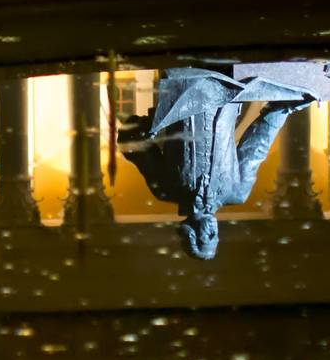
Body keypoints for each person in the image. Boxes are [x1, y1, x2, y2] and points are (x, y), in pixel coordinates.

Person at [120, 66, 319, 259]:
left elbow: (135, 147)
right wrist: (286, 107)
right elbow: (259, 144)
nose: (215, 231)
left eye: (209, 237)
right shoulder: (237, 192)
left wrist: (140, 132)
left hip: (185, 82)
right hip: (228, 86)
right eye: (216, 237)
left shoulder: (166, 189)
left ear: (191, 234)